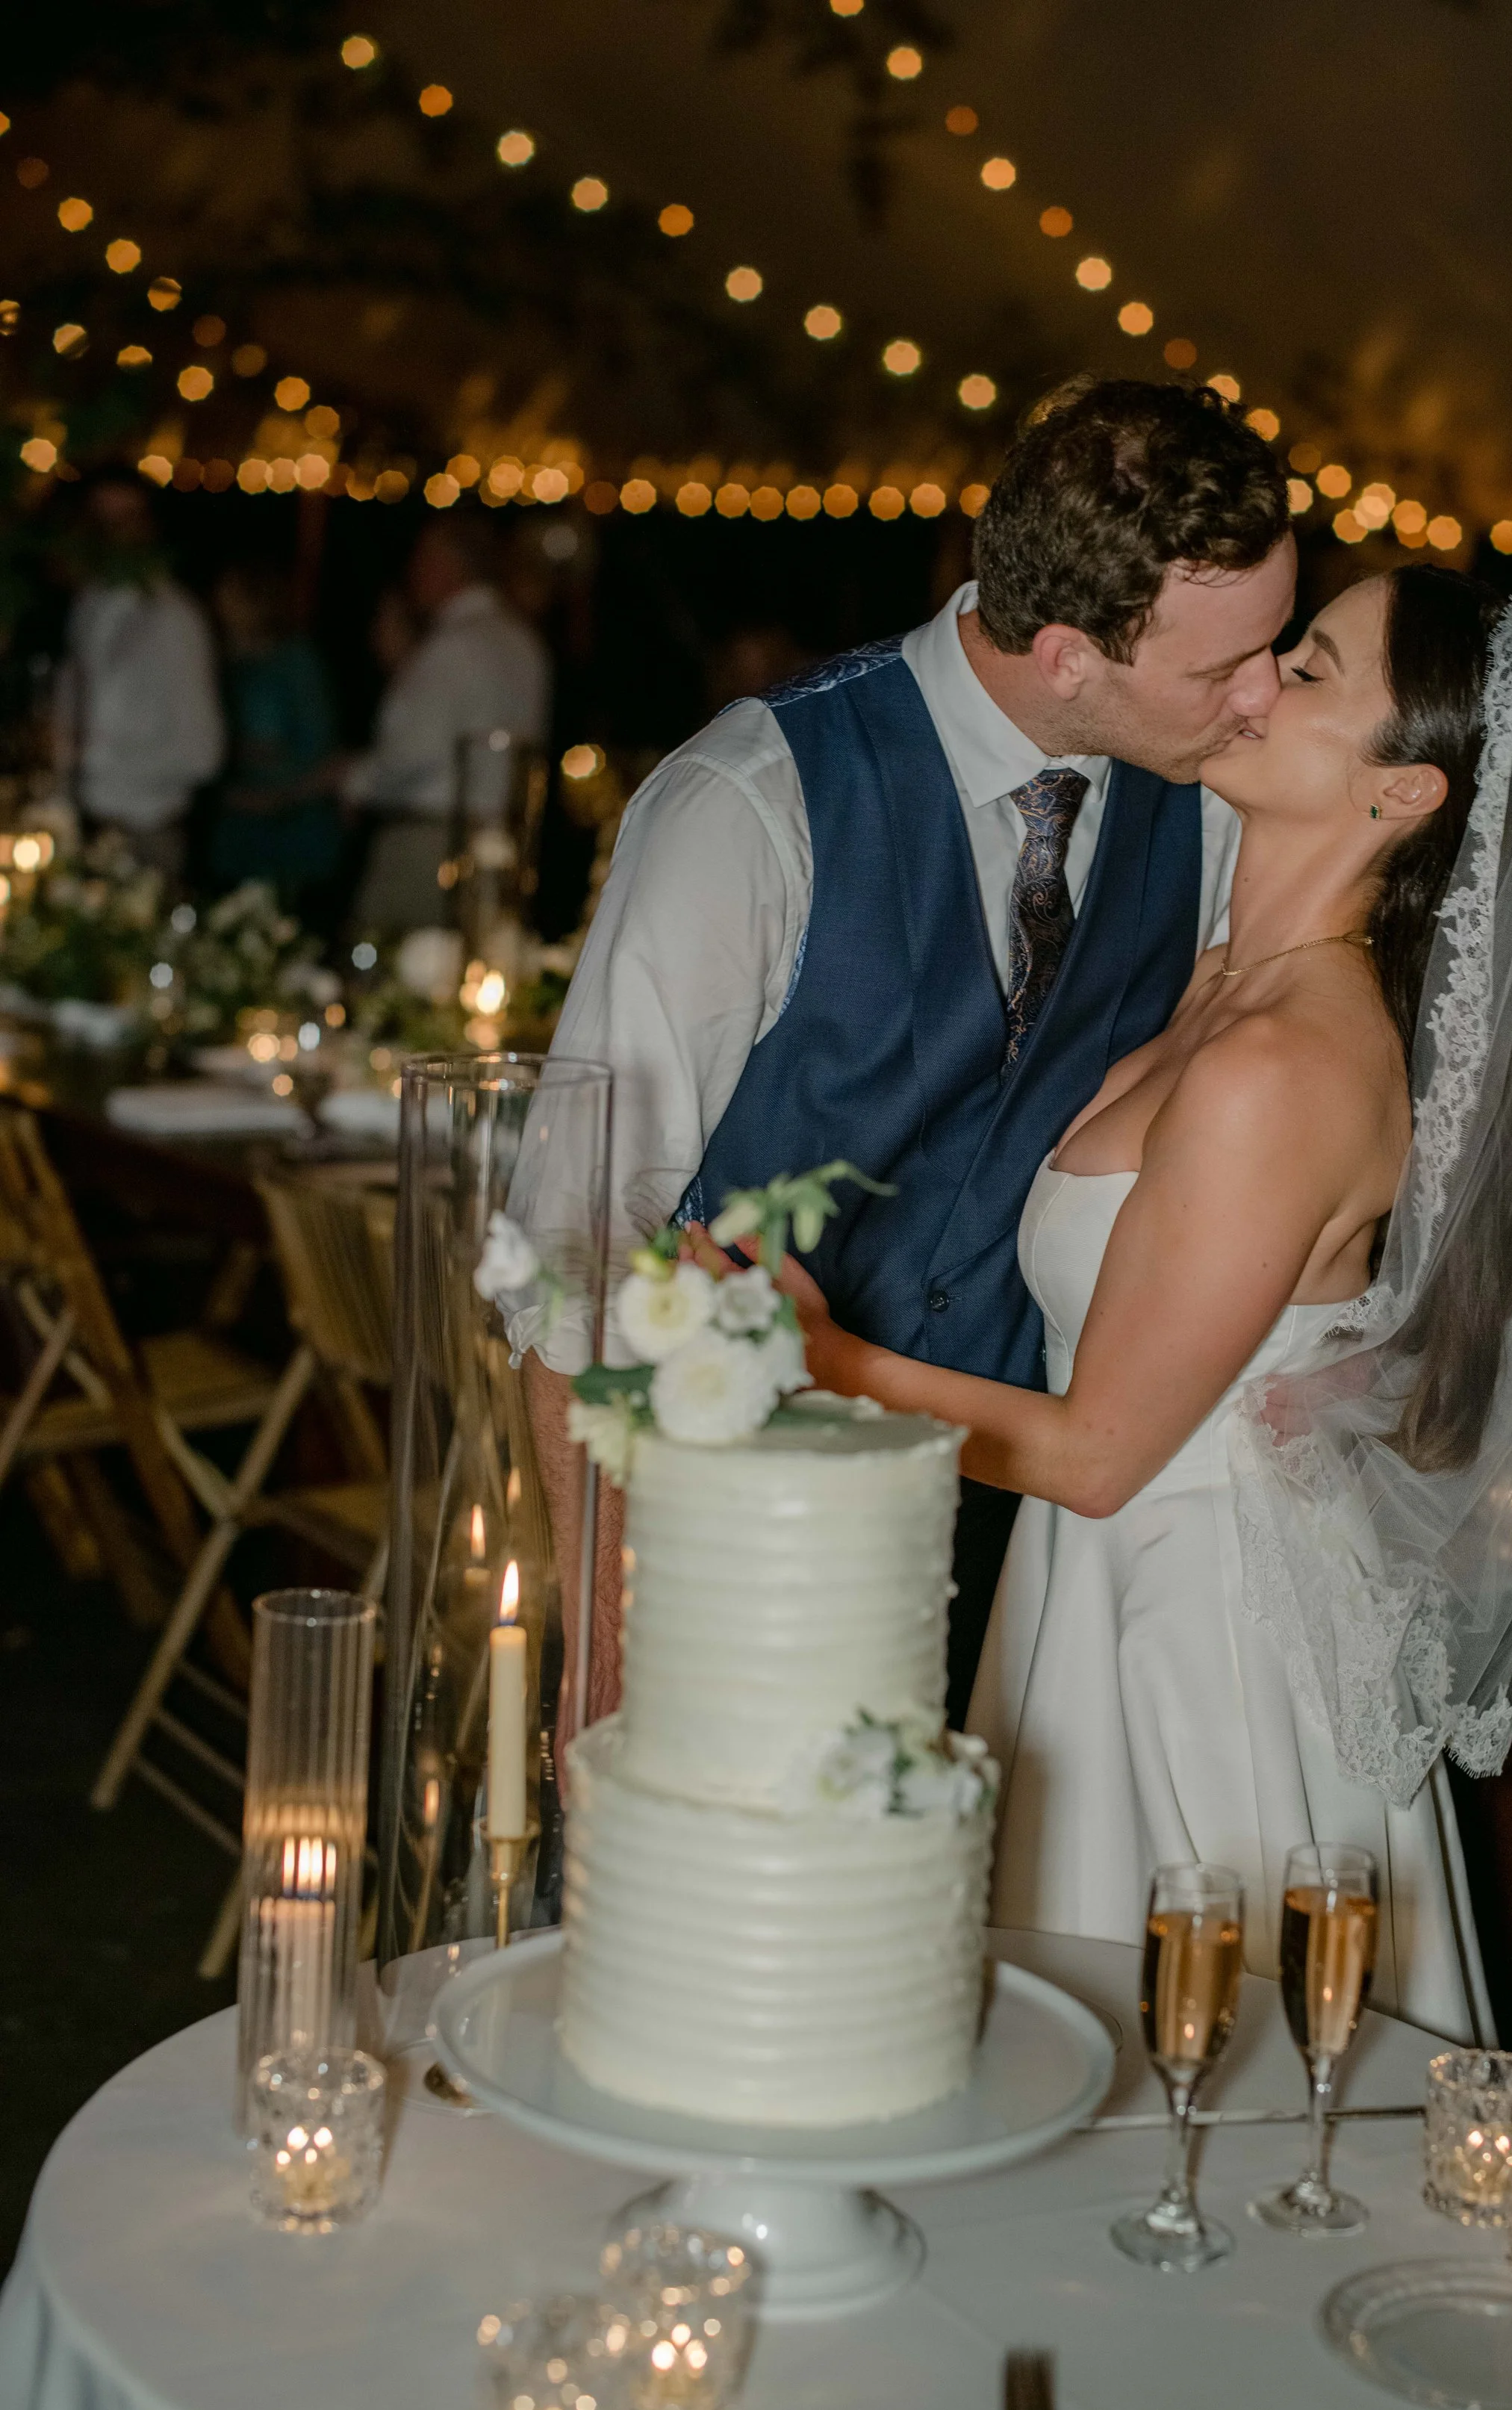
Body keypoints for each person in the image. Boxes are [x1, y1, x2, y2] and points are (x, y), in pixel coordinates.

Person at [777, 568, 1512, 2041]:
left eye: (1303, 673)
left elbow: (1101, 1453)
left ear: (1400, 795)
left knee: (1164, 2087)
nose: (1247, 683)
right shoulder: (1216, 993)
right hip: (1102, 1582)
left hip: (1190, 1632)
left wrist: (816, 1359)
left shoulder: (1281, 1063)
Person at [534, 378, 1298, 1726]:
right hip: (746, 1520)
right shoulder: (751, 803)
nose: (1264, 698)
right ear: (1068, 652)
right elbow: (575, 1241)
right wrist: (600, 1640)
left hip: (1036, 1547)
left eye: (1277, 647)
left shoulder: (1222, 815)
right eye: (1220, 667)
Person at [345, 512, 550, 928]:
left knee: (394, 976)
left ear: (450, 564)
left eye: (423, 558)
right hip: (501, 845)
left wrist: (353, 781)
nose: (413, 572)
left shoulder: (453, 645)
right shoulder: (524, 642)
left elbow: (411, 752)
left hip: (433, 843)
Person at [55, 469, 223, 881]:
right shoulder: (88, 607)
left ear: (150, 524)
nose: (111, 533)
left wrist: (108, 775)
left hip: (143, 836)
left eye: (125, 518)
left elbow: (203, 754)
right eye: (100, 520)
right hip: (76, 832)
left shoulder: (173, 617)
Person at [208, 564, 342, 900]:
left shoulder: (296, 664)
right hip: (238, 831)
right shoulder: (224, 665)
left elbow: (320, 749)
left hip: (292, 828)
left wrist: (278, 797)